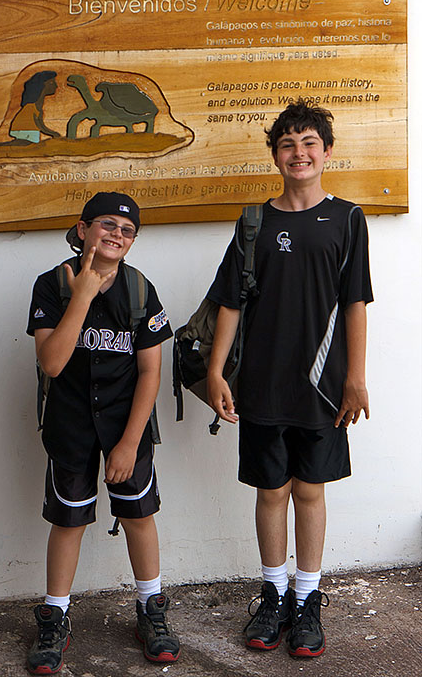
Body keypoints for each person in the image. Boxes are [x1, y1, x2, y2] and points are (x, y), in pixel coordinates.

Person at [206, 100, 373, 658]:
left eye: (308, 144)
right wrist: (213, 371)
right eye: (287, 145)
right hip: (260, 384)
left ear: (326, 152)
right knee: (271, 490)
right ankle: (273, 594)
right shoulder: (256, 221)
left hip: (323, 386)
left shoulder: (348, 218)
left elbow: (355, 303)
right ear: (275, 155)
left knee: (309, 490)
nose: (298, 154)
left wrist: (356, 378)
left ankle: (307, 599)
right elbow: (229, 303)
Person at [26, 192, 179, 674]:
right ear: (83, 228)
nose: (116, 234)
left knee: (137, 514)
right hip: (70, 422)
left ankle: (151, 610)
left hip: (123, 423)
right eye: (106, 224)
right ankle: (55, 616)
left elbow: (151, 372)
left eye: (127, 230)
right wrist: (85, 294)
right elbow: (51, 362)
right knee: (69, 519)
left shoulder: (139, 289)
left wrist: (130, 442)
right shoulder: (52, 284)